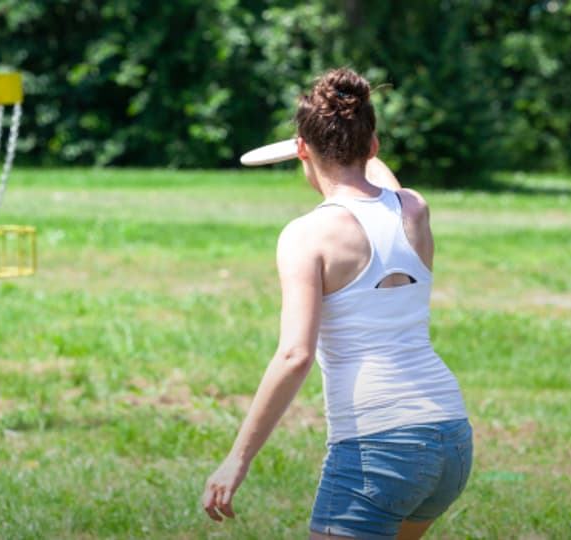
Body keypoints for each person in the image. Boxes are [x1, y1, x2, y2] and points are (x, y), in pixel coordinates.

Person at [201, 67, 472, 540]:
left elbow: (295, 355)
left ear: (303, 150)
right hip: (450, 436)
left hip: (379, 444)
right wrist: (351, 140)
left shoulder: (308, 235)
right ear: (373, 145)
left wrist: (236, 459)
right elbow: (379, 180)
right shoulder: (414, 210)